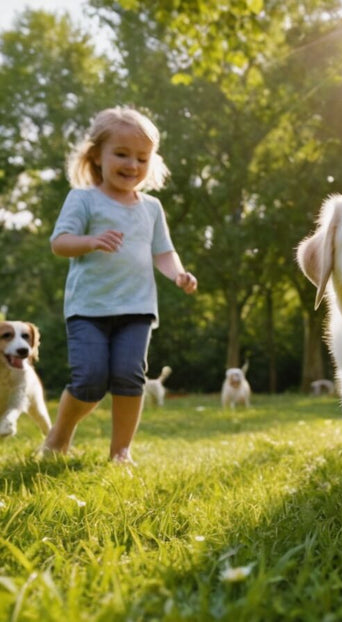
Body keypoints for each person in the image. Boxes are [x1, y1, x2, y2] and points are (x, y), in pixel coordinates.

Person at [40, 106, 197, 464]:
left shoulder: (152, 208)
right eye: (122, 154)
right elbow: (60, 242)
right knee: (90, 379)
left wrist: (179, 274)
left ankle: (120, 452)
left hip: (137, 309)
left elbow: (164, 252)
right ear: (97, 155)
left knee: (129, 377)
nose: (132, 165)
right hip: (88, 308)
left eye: (142, 157)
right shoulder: (83, 198)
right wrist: (92, 241)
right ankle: (58, 437)